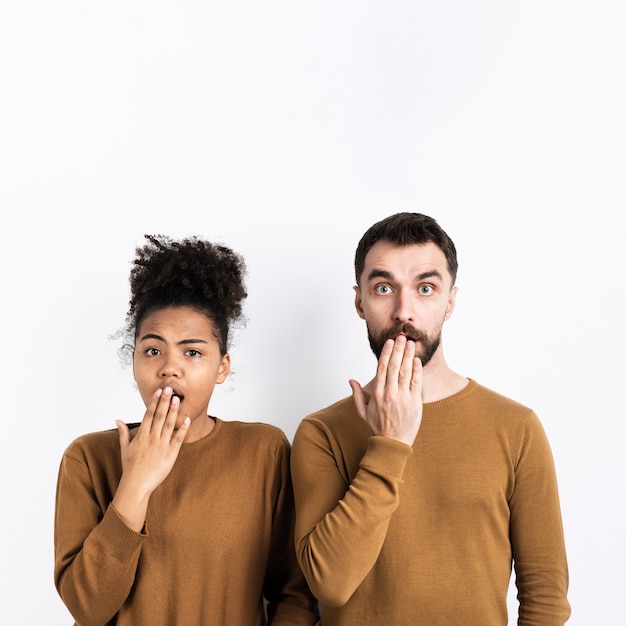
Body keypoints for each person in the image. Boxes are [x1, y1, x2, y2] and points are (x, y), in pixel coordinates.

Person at [290, 213, 570, 625]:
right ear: (359, 302)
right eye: (384, 288)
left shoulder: (517, 427)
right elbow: (329, 584)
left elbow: (545, 596)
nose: (405, 311)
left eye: (425, 288)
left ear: (450, 302)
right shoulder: (322, 432)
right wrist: (391, 444)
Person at [54, 235, 319, 626]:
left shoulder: (264, 450)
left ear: (222, 367)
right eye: (153, 349)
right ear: (134, 361)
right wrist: (135, 486)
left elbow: (293, 595)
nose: (169, 367)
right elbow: (87, 609)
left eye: (192, 351)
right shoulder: (88, 458)